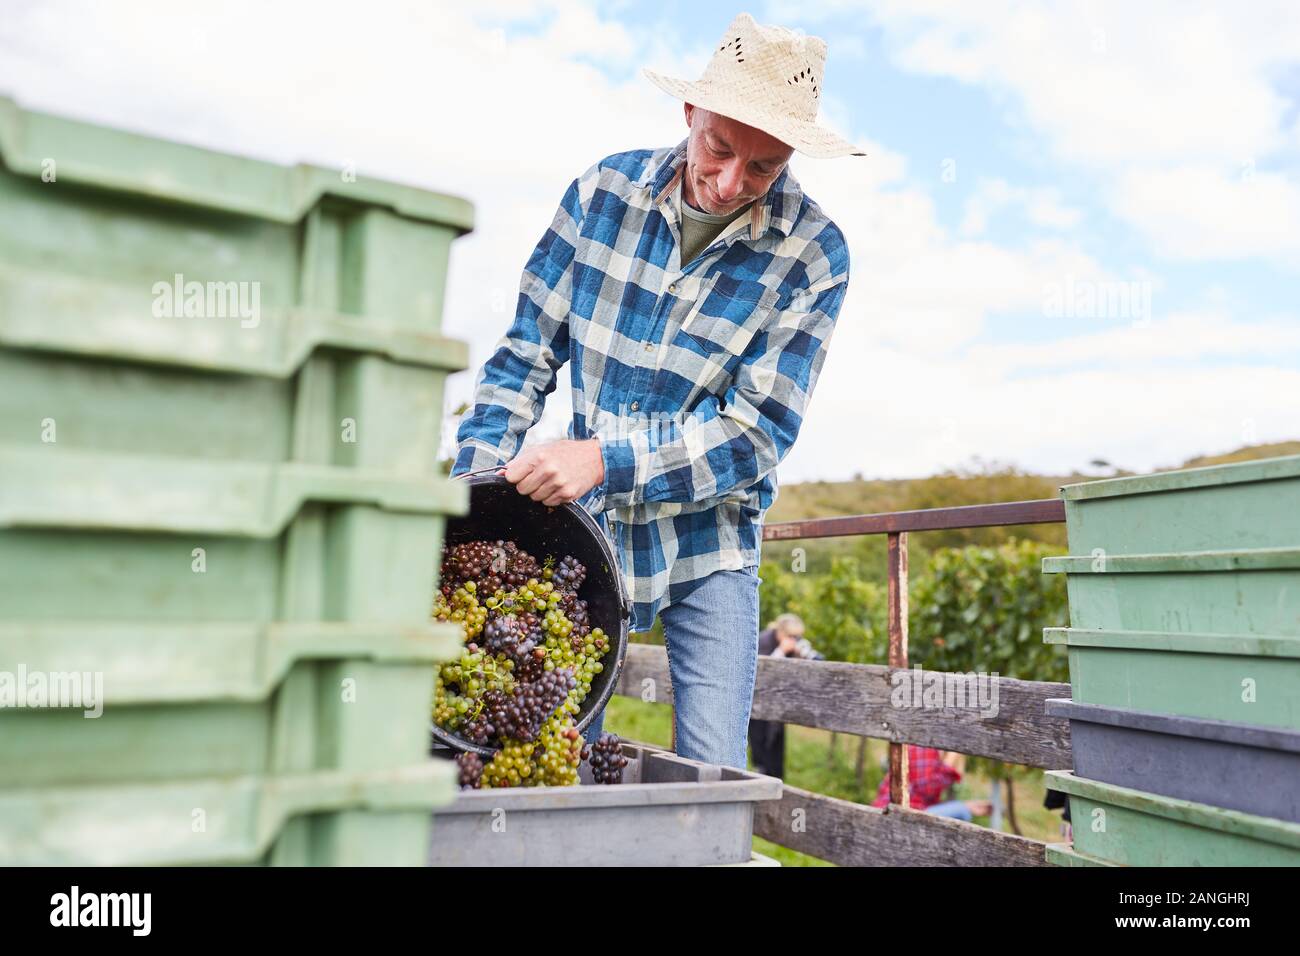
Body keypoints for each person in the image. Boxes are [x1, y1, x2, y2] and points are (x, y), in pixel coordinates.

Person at [451, 13, 865, 770]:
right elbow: (521, 361)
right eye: (720, 147)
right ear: (690, 114)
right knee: (555, 762)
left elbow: (755, 434)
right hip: (582, 541)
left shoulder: (815, 256)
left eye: (765, 166)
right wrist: (469, 502)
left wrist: (607, 458)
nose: (732, 181)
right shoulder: (600, 195)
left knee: (712, 782)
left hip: (708, 546)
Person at [748, 613, 821, 778]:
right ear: (780, 632)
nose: (794, 639)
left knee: (776, 752)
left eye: (797, 636)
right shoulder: (764, 641)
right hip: (757, 703)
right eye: (791, 636)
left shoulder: (795, 643)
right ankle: (758, 781)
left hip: (777, 707)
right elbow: (759, 671)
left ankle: (775, 783)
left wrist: (802, 654)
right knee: (760, 748)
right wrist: (781, 651)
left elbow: (817, 661)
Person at [871, 747, 993, 822]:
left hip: (906, 808)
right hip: (898, 811)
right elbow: (928, 788)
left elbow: (924, 797)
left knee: (962, 810)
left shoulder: (928, 746)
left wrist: (968, 805)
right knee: (962, 812)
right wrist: (953, 756)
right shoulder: (924, 746)